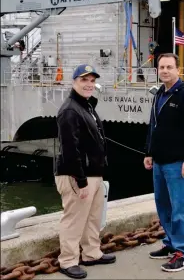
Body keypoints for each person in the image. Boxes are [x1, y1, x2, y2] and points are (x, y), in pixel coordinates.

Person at [144, 53, 184, 273]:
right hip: (159, 162)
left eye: (169, 67)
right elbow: (154, 125)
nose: (165, 71)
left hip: (177, 162)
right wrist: (148, 152)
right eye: (161, 67)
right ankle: (171, 244)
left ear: (178, 69)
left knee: (181, 208)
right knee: (164, 206)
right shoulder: (160, 93)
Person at [55, 64, 116, 279]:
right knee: (74, 218)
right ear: (74, 82)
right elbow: (70, 149)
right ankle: (68, 260)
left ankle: (91, 253)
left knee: (92, 217)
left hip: (93, 173)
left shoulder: (86, 106)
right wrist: (80, 180)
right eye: (84, 80)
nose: (89, 84)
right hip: (78, 175)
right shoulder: (70, 110)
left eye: (92, 80)